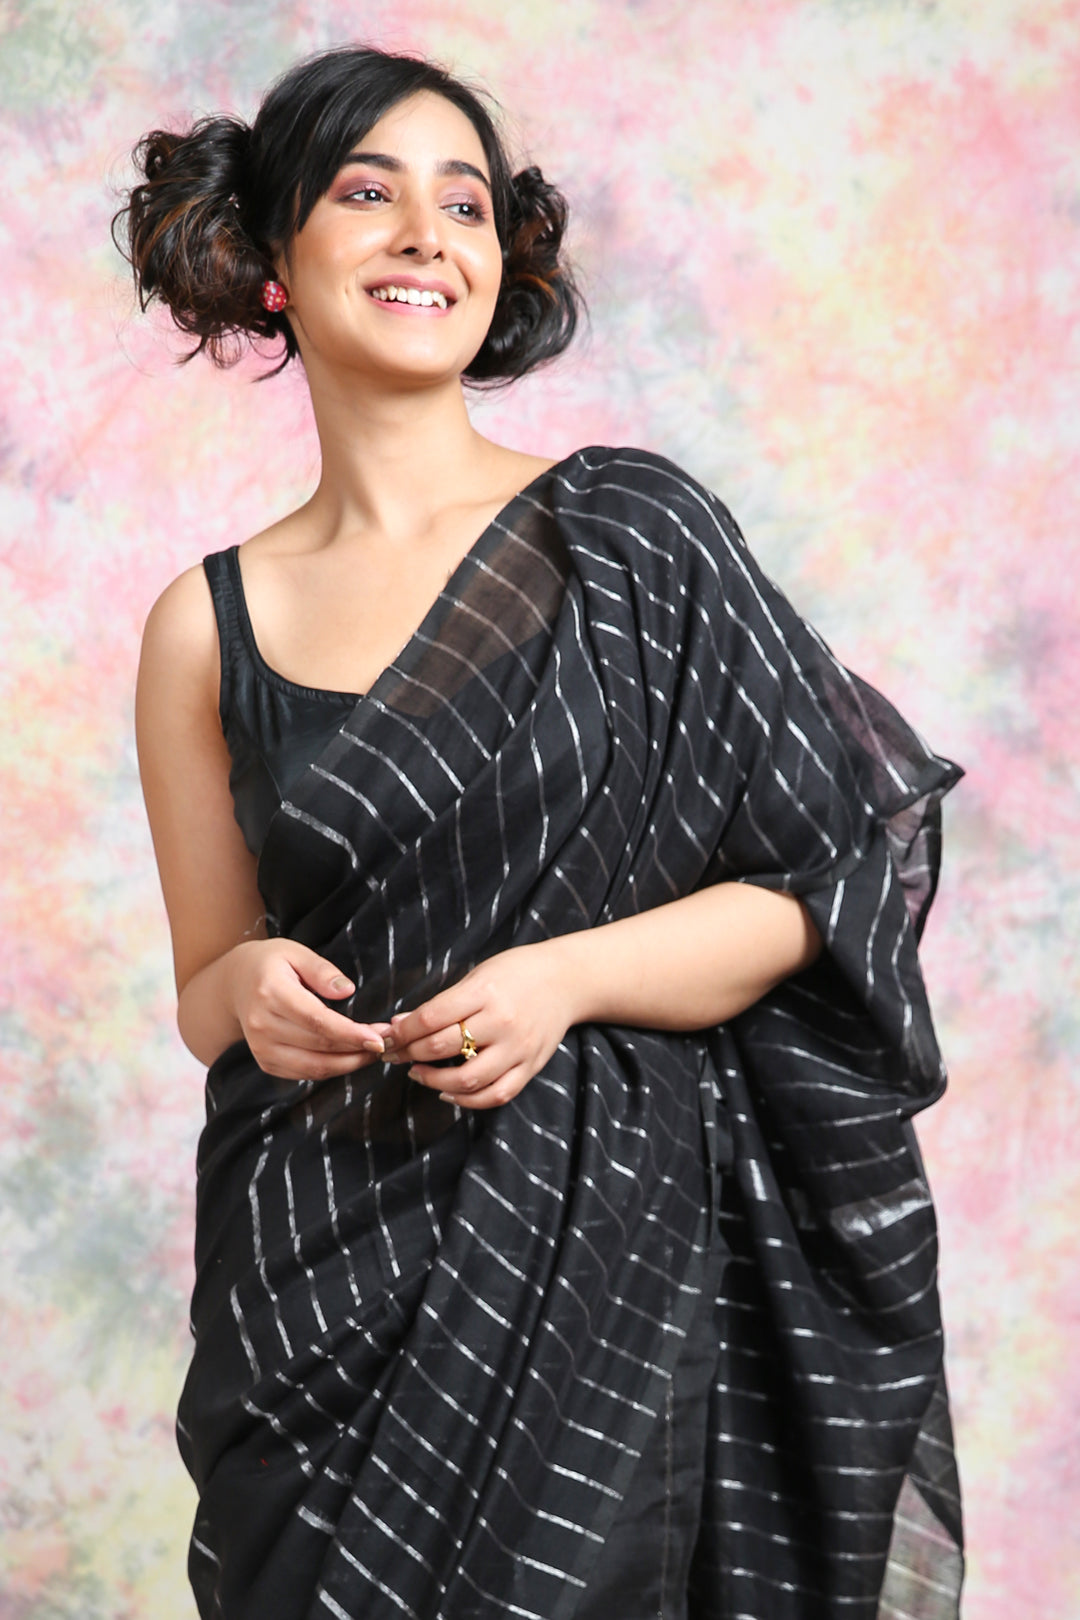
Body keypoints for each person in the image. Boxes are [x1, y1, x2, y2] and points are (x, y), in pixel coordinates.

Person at [117, 43, 964, 1620]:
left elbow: (826, 884)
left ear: (501, 266)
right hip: (315, 1275)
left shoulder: (631, 540)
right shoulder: (201, 625)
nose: (425, 236)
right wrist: (246, 992)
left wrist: (563, 980)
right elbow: (205, 983)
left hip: (603, 1267)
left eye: (465, 204)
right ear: (270, 257)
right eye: (367, 193)